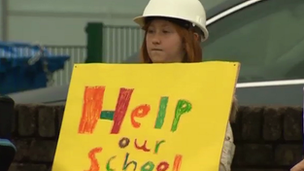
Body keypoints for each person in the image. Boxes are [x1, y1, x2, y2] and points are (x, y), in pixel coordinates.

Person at [133, 0, 238, 170]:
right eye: (151, 31)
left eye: (165, 31)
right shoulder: (127, 89)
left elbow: (218, 163)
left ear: (191, 38)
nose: (155, 40)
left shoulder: (210, 95)